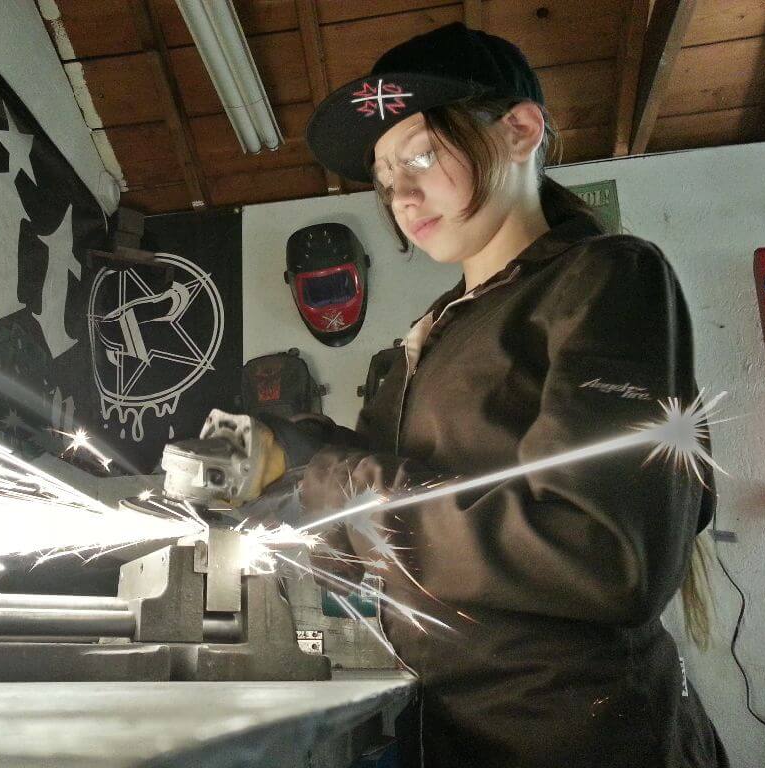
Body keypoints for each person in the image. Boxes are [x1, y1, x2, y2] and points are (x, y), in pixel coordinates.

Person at [245, 21, 726, 768]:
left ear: (520, 130)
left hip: (583, 744)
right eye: (383, 175)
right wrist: (288, 457)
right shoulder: (420, 345)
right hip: (447, 737)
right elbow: (373, 524)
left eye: (422, 155)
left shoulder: (606, 279)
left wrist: (337, 481)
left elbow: (600, 556)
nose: (400, 194)